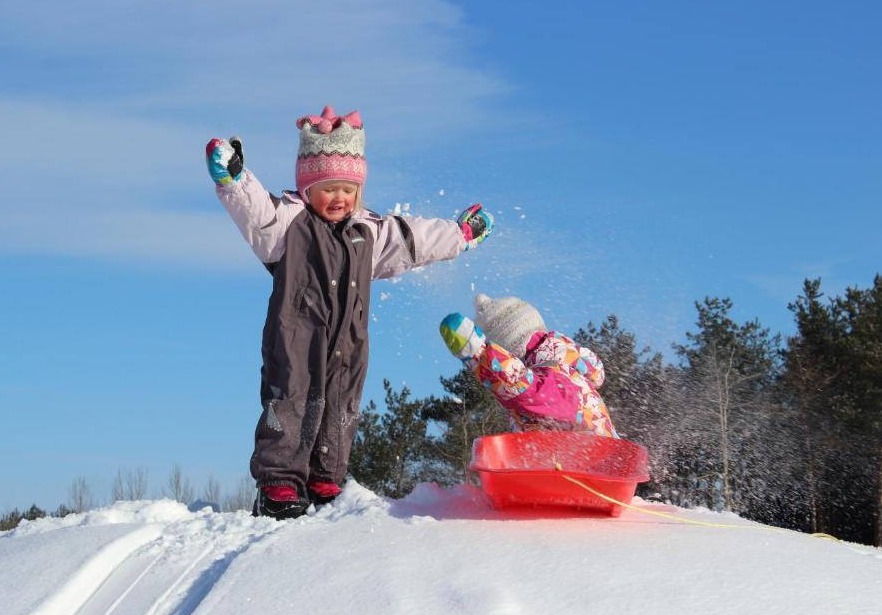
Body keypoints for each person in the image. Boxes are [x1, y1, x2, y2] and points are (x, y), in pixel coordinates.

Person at [207, 106, 495, 519]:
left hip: (348, 341)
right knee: (290, 400)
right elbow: (256, 212)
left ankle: (327, 477)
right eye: (328, 188)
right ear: (307, 189)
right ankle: (279, 482)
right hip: (296, 338)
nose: (339, 198)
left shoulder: (369, 231)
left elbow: (413, 241)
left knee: (341, 403)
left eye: (347, 189)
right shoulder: (289, 224)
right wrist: (234, 178)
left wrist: (459, 235)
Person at [439, 294, 617, 438]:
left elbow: (522, 388)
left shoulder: (557, 376)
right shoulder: (565, 368)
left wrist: (479, 353)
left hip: (588, 469)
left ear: (508, 349)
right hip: (582, 467)